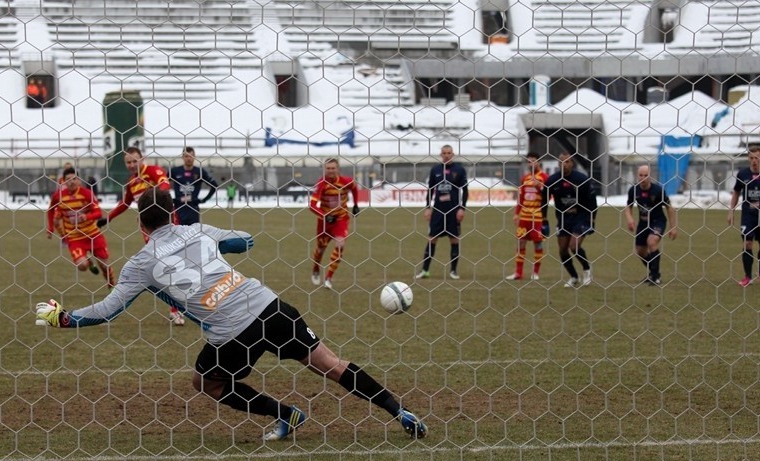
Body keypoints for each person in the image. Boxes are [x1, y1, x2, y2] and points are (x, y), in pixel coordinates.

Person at [35, 187, 427, 442]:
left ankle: (285, 414)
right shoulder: (198, 229)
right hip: (269, 306)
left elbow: (107, 311)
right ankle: (400, 411)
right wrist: (226, 246)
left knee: (207, 383)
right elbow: (244, 240)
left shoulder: (141, 264)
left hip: (232, 332)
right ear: (174, 214)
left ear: (140, 225)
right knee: (330, 364)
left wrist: (64, 318)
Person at [97, 147, 184, 324]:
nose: (130, 165)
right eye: (127, 162)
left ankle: (177, 309)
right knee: (163, 267)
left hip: (167, 225)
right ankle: (176, 306)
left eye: (133, 161)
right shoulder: (132, 181)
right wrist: (108, 218)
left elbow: (165, 185)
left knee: (170, 265)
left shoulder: (152, 171)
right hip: (148, 231)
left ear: (142, 159)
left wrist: (153, 198)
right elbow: (125, 202)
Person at [46, 167, 115, 288]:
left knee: (104, 265)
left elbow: (98, 213)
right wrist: (50, 227)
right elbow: (51, 210)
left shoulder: (87, 194)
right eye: (68, 179)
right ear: (63, 181)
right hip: (75, 237)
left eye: (74, 179)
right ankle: (88, 261)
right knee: (82, 266)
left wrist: (87, 217)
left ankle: (111, 283)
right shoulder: (58, 196)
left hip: (93, 234)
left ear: (79, 180)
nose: (72, 182)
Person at [727, 145, 760, 286]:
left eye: (756, 158)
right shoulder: (742, 174)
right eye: (751, 158)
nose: (754, 161)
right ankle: (747, 276)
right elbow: (736, 193)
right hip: (748, 215)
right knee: (748, 243)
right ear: (748, 158)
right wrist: (731, 211)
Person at [543, 151, 598, 288]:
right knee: (562, 250)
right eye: (561, 162)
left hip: (581, 216)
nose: (564, 164)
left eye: (567, 162)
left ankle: (587, 270)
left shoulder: (582, 180)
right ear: (558, 164)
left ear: (572, 163)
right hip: (563, 217)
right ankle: (574, 277)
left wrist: (592, 220)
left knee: (574, 246)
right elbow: (543, 201)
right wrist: (544, 220)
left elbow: (593, 202)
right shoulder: (552, 181)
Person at [416, 145, 469, 280]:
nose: (446, 155)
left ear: (453, 154)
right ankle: (425, 270)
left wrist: (462, 208)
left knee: (454, 239)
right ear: (440, 154)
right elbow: (430, 190)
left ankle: (453, 271)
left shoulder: (459, 170)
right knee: (432, 238)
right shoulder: (436, 169)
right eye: (444, 153)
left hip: (453, 211)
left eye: (449, 153)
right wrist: (428, 207)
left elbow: (465, 191)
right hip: (438, 211)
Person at [309, 158, 360, 290]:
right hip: (325, 221)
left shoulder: (345, 181)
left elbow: (354, 188)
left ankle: (328, 278)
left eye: (333, 168)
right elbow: (312, 205)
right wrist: (325, 216)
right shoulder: (321, 184)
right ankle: (316, 268)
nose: (331, 171)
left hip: (341, 219)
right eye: (328, 168)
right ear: (325, 169)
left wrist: (355, 204)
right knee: (320, 249)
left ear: (338, 169)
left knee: (340, 244)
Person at [622, 164, 678, 285]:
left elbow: (670, 208)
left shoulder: (658, 190)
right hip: (643, 223)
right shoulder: (634, 190)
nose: (643, 178)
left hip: (658, 221)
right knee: (640, 251)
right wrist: (630, 219)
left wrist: (673, 228)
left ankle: (656, 277)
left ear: (650, 176)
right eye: (640, 175)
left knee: (651, 242)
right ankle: (653, 273)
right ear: (637, 176)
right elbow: (628, 207)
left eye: (646, 175)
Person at [507, 152, 549, 281]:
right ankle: (518, 273)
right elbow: (520, 198)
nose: (531, 163)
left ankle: (535, 273)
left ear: (539, 162)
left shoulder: (545, 177)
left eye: (533, 161)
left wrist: (541, 188)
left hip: (537, 217)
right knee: (521, 243)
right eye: (529, 161)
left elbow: (549, 196)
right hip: (524, 217)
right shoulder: (525, 178)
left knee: (538, 244)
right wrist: (516, 214)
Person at [169, 147, 218, 225]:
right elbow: (162, 184)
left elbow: (214, 186)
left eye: (191, 156)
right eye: (186, 156)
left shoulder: (199, 172)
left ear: (194, 156)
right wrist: (171, 199)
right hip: (178, 208)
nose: (189, 158)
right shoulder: (175, 171)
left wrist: (204, 200)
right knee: (178, 234)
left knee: (193, 234)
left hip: (193, 209)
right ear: (182, 157)